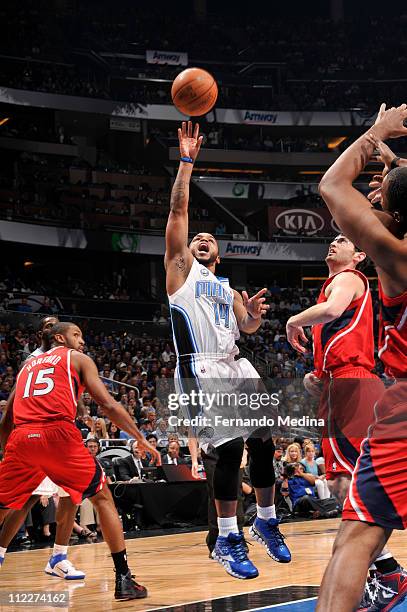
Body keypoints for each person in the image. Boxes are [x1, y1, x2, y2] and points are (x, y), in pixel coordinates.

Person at [166, 121, 290, 580]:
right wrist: (186, 163)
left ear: (218, 252)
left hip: (237, 363)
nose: (201, 239)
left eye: (210, 239)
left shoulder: (226, 287)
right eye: (197, 238)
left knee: (263, 444)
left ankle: (266, 521)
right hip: (201, 370)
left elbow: (249, 328)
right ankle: (226, 537)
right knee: (232, 447)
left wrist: (253, 313)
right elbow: (179, 211)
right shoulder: (180, 272)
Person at [316, 103, 407, 611]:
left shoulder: (394, 254)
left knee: (355, 537)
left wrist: (375, 133)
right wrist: (396, 177)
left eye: (379, 195)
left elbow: (332, 187)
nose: (370, 195)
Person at [0, 322, 161, 600]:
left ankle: (58, 556)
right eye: (77, 335)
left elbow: (6, 421)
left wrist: (11, 452)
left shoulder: (27, 367)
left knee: (7, 503)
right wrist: (140, 437)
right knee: (102, 497)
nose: (83, 341)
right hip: (57, 434)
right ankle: (124, 580)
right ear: (60, 338)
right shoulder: (76, 359)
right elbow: (109, 405)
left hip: (22, 437)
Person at [0, 316, 85, 579]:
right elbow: (13, 409)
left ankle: (59, 556)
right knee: (23, 500)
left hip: (57, 436)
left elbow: (77, 405)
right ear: (44, 335)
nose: (53, 329)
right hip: (36, 438)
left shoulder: (67, 358)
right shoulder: (34, 361)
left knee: (70, 493)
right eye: (48, 326)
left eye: (56, 325)